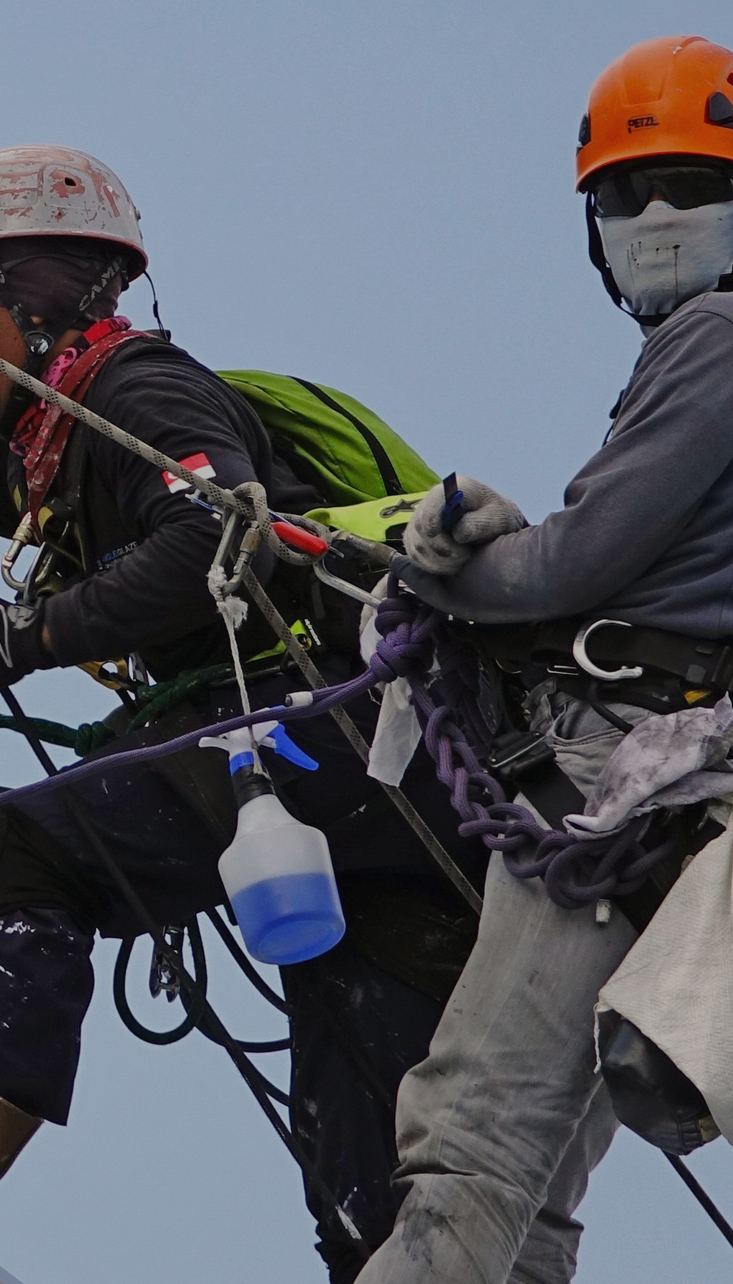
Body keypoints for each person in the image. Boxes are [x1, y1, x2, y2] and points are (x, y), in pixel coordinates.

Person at [353, 34, 733, 1283]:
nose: (653, 217)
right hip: (693, 792)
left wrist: (435, 570)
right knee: (531, 1199)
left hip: (623, 776)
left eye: (686, 184)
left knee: (471, 1144)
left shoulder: (727, 334)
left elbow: (572, 567)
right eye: (624, 194)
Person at [0, 145, 484, 1282]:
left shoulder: (132, 391)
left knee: (18, 853)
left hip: (314, 726)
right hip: (384, 781)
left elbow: (215, 537)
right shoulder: (46, 444)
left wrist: (25, 641)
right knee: (367, 1173)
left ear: (28, 300)